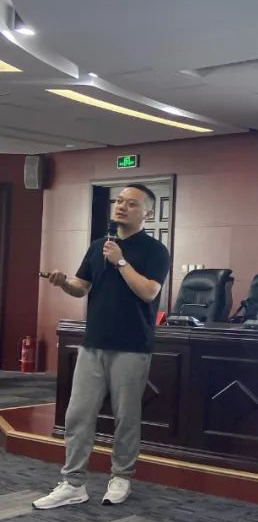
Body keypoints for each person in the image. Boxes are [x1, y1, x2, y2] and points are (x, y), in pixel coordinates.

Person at [33, 184, 171, 510]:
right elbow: (81, 287)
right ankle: (73, 483)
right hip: (93, 343)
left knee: (126, 417)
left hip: (132, 346)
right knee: (78, 415)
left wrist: (121, 262)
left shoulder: (155, 250)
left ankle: (121, 477)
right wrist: (63, 282)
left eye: (131, 203)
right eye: (119, 201)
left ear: (148, 212)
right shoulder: (99, 246)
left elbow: (149, 292)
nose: (121, 206)